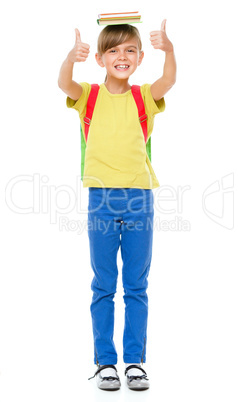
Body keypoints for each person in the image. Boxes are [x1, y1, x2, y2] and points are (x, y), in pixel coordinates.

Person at [58, 20, 176, 391]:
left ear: (140, 59)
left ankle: (135, 362)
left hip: (140, 198)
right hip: (101, 200)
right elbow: (64, 85)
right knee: (104, 283)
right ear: (99, 58)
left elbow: (168, 82)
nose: (121, 57)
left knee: (137, 285)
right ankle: (105, 362)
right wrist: (69, 58)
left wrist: (169, 51)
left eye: (129, 51)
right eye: (113, 50)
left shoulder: (144, 96)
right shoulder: (89, 96)